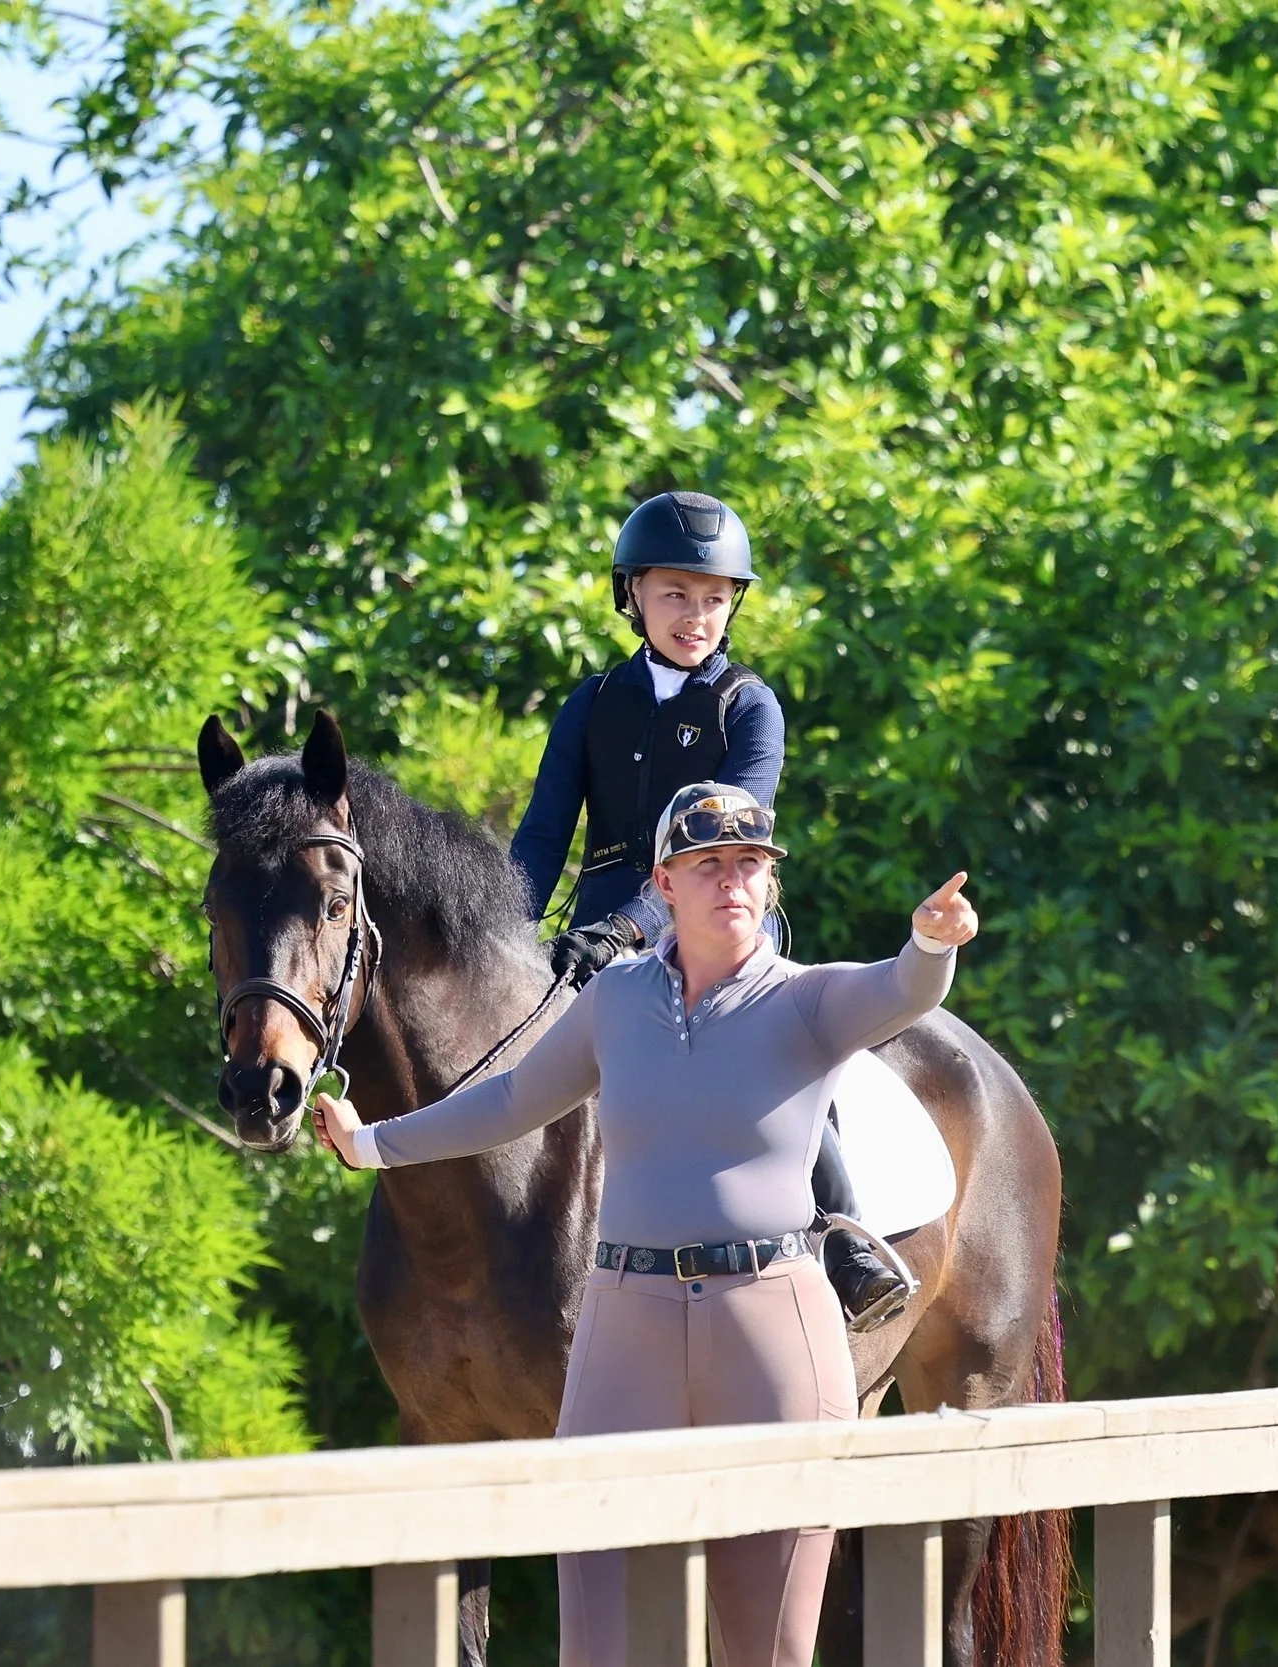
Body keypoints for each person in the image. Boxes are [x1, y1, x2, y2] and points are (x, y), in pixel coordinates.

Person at [314, 781, 978, 1667]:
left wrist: (931, 943)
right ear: (664, 883)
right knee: (596, 1639)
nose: (733, 881)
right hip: (624, 1320)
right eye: (708, 865)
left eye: (751, 864)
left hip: (769, 1318)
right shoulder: (617, 998)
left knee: (767, 1645)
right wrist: (377, 1145)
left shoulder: (808, 1000)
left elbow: (900, 989)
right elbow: (512, 1099)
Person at [507, 489, 911, 1329]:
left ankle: (846, 1238)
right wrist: (503, 932)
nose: (696, 616)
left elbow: (722, 840)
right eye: (675, 596)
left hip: (723, 929)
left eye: (713, 599)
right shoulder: (590, 704)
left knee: (790, 1052)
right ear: (634, 598)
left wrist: (632, 928)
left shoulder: (749, 705)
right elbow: (544, 835)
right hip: (591, 942)